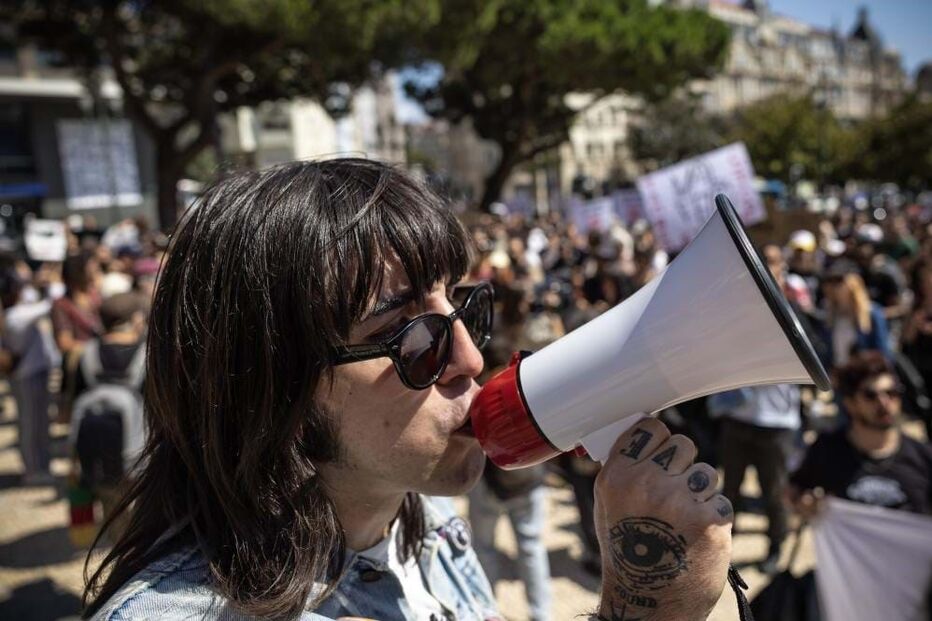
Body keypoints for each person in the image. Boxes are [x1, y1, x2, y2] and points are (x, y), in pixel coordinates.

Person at [82, 160, 735, 621]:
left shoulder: (428, 524)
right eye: (415, 339)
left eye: (464, 309)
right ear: (274, 387)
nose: (470, 358)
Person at [788, 350, 932, 517]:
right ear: (851, 404)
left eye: (892, 392)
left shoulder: (924, 457)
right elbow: (794, 489)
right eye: (870, 395)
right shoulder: (828, 449)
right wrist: (803, 502)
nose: (884, 403)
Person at [0, 268, 61, 486]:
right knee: (31, 424)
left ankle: (40, 466)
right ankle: (33, 470)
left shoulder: (13, 313)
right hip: (28, 376)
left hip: (29, 375)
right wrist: (52, 281)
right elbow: (50, 302)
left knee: (36, 423)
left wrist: (37, 282)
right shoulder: (16, 316)